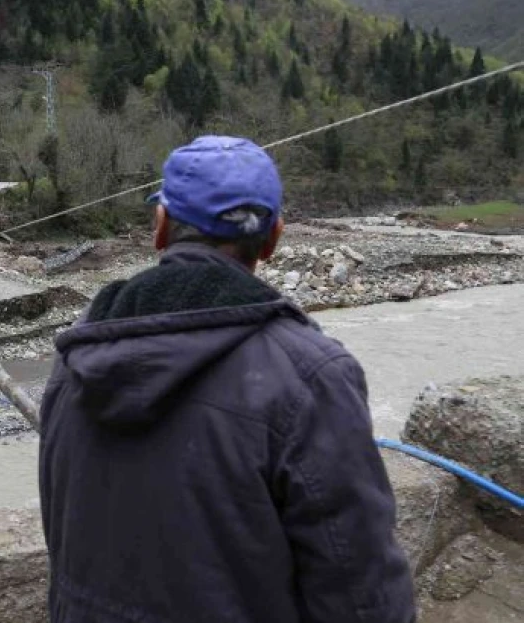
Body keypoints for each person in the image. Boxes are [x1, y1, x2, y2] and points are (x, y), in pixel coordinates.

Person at [38, 136, 415, 623]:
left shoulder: (75, 354)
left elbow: (60, 537)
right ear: (274, 238)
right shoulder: (310, 377)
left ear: (159, 228)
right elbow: (363, 598)